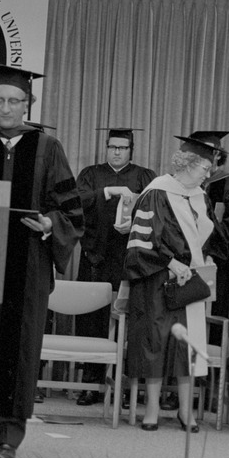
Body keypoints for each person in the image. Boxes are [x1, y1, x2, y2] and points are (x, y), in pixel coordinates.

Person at [0, 64, 83, 458]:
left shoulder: (47, 148)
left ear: (28, 104)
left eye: (14, 101)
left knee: (20, 345)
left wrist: (49, 224)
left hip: (29, 263)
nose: (6, 108)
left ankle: (9, 433)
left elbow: (71, 211)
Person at [124, 134, 225, 431]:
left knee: (187, 345)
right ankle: (152, 409)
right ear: (187, 163)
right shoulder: (156, 192)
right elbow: (141, 240)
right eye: (205, 167)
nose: (208, 174)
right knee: (156, 343)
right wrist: (171, 262)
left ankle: (186, 411)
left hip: (190, 280)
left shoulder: (200, 196)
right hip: (157, 279)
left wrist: (205, 259)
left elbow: (209, 238)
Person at [74, 128, 155, 406]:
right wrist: (108, 191)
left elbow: (156, 211)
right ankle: (90, 384)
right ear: (106, 147)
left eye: (123, 147)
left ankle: (125, 385)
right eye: (113, 147)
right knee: (91, 320)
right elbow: (76, 203)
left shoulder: (145, 177)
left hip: (130, 260)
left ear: (132, 150)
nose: (117, 152)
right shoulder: (91, 174)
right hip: (95, 257)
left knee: (128, 321)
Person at [191, 130, 229, 316]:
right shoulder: (185, 183)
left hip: (218, 262)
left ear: (218, 154)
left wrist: (208, 246)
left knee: (215, 312)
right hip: (186, 259)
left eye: (208, 152)